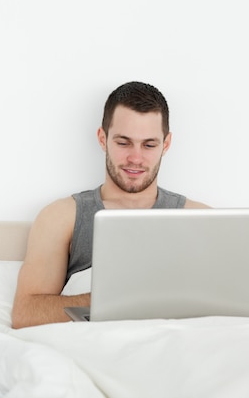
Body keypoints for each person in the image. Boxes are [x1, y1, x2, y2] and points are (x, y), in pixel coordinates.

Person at [11, 81, 209, 329]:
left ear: (165, 145)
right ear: (103, 139)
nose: (135, 158)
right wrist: (118, 302)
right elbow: (25, 313)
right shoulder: (63, 217)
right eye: (123, 143)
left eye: (149, 145)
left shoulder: (199, 218)